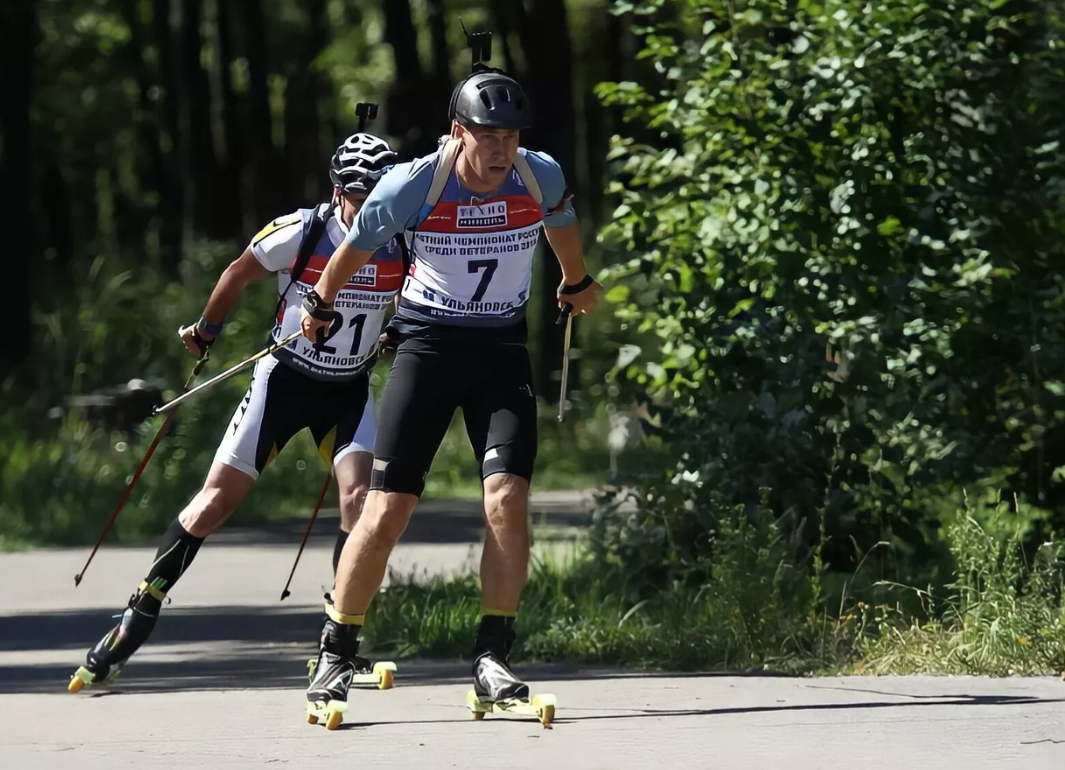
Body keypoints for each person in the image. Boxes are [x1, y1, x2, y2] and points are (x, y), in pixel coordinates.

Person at [299, 63, 601, 723]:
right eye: (488, 136)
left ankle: (492, 656)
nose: (501, 150)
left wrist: (575, 280)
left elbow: (561, 221)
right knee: (388, 510)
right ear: (457, 131)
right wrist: (320, 302)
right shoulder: (416, 183)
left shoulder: (536, 172)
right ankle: (337, 648)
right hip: (427, 350)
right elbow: (355, 244)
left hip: (499, 352)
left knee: (507, 496)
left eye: (511, 136)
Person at [68, 132, 404, 693]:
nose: (370, 205)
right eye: (359, 194)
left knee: (361, 499)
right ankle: (139, 611)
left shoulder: (400, 237)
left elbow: (417, 295)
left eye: (380, 194)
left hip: (347, 387)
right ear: (337, 189)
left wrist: (396, 328)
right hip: (285, 381)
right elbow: (236, 274)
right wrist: (207, 330)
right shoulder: (303, 231)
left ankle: (339, 640)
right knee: (215, 502)